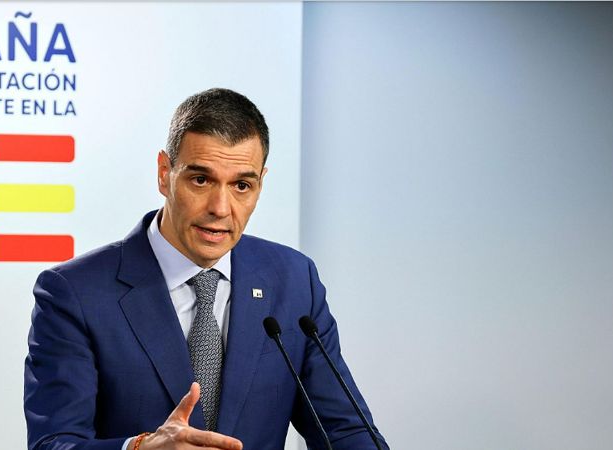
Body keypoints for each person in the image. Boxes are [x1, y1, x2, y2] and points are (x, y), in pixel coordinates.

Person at [24, 88, 388, 450]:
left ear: (261, 184)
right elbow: (52, 444)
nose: (220, 208)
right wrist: (139, 449)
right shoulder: (75, 292)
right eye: (201, 180)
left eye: (242, 185)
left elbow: (346, 432)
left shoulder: (293, 280)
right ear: (164, 173)